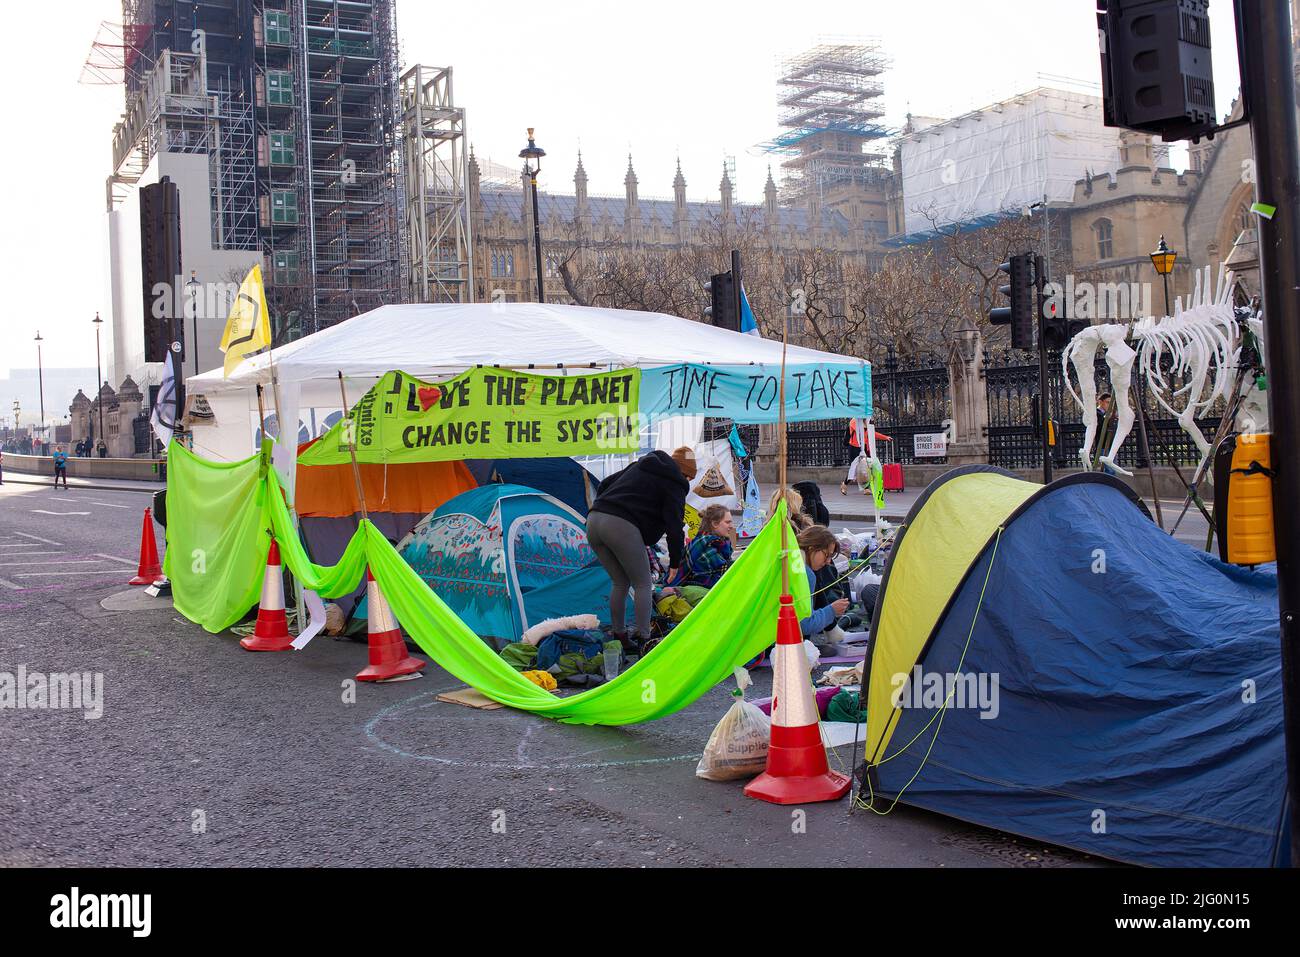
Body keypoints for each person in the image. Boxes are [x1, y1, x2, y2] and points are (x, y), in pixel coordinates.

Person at [586, 447, 695, 651]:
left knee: (620, 582)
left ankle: (620, 637)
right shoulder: (675, 482)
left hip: (594, 520)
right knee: (643, 583)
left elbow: (606, 483)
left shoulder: (640, 465)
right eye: (689, 477)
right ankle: (645, 641)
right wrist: (674, 562)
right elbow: (674, 526)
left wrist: (606, 505)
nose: (688, 482)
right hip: (620, 525)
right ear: (684, 472)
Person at [797, 526, 850, 639]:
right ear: (812, 548)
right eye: (827, 555)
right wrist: (831, 610)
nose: (828, 562)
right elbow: (804, 625)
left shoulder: (790, 561)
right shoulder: (804, 573)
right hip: (775, 645)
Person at [672, 503, 734, 589]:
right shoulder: (705, 544)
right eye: (727, 522)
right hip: (694, 588)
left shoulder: (721, 543)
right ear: (715, 524)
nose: (731, 526)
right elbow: (721, 574)